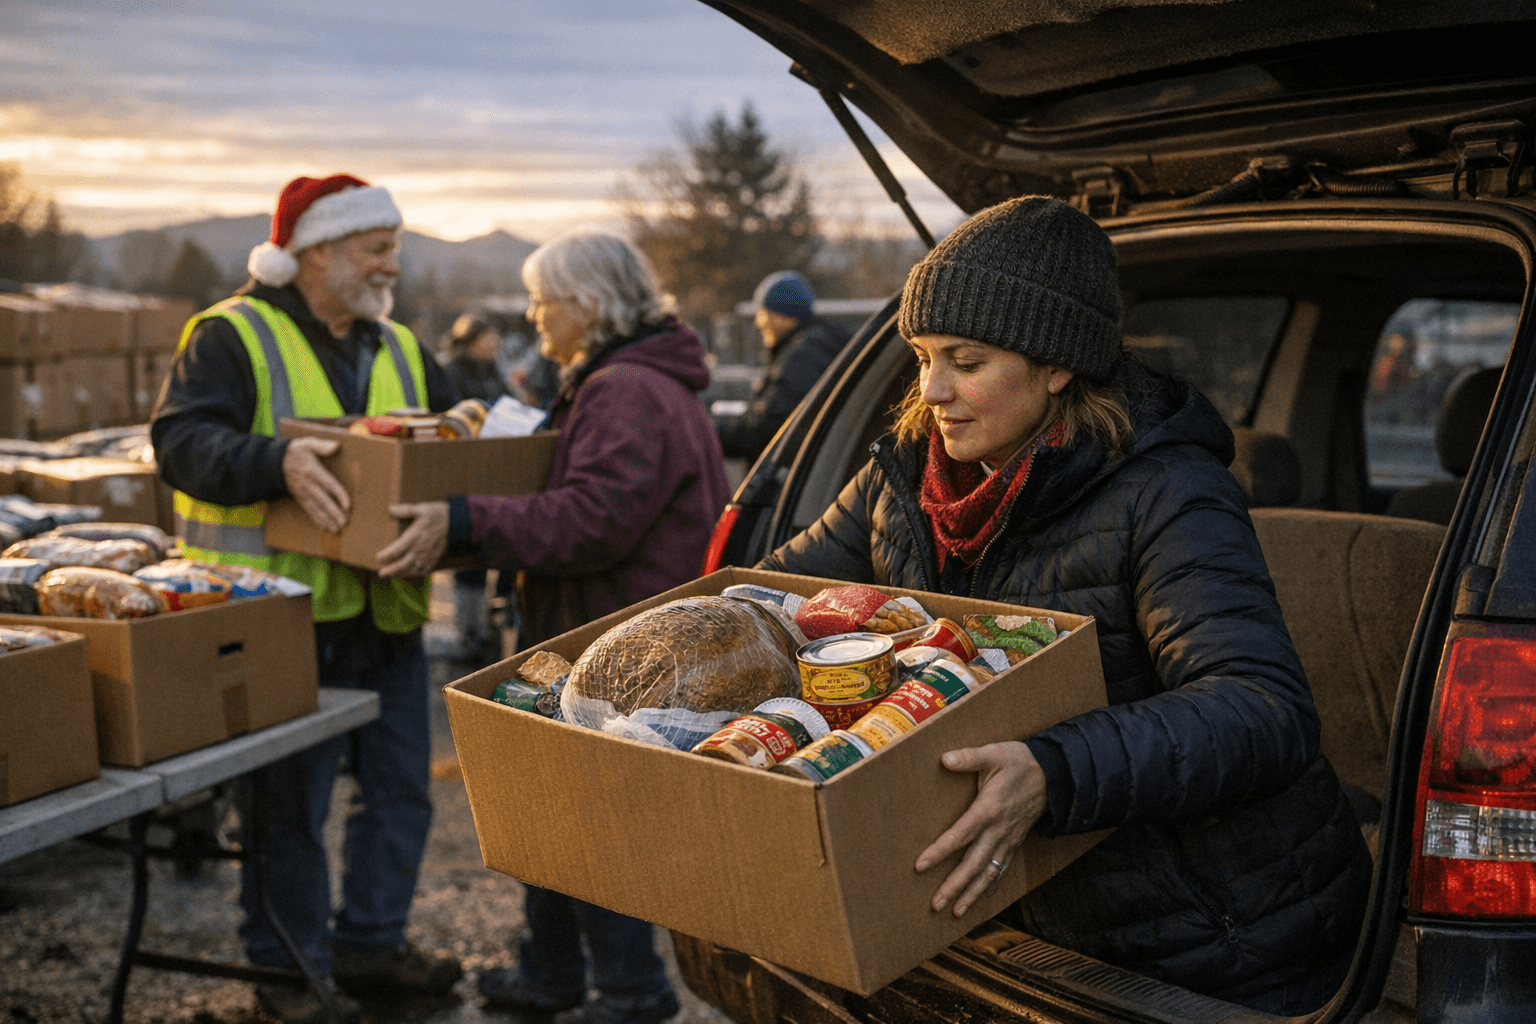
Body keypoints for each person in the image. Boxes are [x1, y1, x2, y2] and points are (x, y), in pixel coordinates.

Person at [757, 197, 1372, 1016]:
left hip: (1216, 936)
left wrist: (1056, 769)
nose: (932, 391)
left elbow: (1262, 710)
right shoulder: (903, 476)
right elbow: (767, 601)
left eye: (966, 361)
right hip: (1004, 917)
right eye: (922, 357)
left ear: (1056, 365)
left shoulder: (1170, 491)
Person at [378, 227, 729, 1024]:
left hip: (609, 641)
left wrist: (465, 518)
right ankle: (552, 970)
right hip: (599, 629)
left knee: (589, 820)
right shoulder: (623, 381)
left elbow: (593, 519)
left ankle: (631, 992)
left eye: (543, 301)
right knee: (552, 807)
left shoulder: (625, 391)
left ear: (587, 305)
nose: (534, 316)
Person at [151, 174, 463, 1024]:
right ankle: (290, 975)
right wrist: (273, 463)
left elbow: (449, 441)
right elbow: (179, 442)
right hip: (280, 617)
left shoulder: (395, 343)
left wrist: (458, 468)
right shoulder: (229, 334)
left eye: (392, 246)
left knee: (399, 791)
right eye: (377, 247)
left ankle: (369, 947)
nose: (391, 264)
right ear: (317, 252)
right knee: (289, 808)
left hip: (385, 614)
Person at [437, 311, 512, 664]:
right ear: (470, 338)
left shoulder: (492, 371)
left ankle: (487, 628)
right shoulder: (453, 372)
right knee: (467, 558)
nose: (493, 343)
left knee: (489, 554)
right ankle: (469, 632)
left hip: (493, 472)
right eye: (488, 337)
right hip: (464, 473)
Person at [712, 270, 850, 461]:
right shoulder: (815, 347)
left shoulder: (803, 357)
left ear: (782, 315)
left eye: (762, 313)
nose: (758, 322)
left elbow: (768, 426)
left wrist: (711, 435)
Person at [440, 311, 511, 405]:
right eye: (487, 339)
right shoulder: (453, 373)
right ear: (470, 342)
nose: (493, 344)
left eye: (494, 338)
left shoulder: (490, 370)